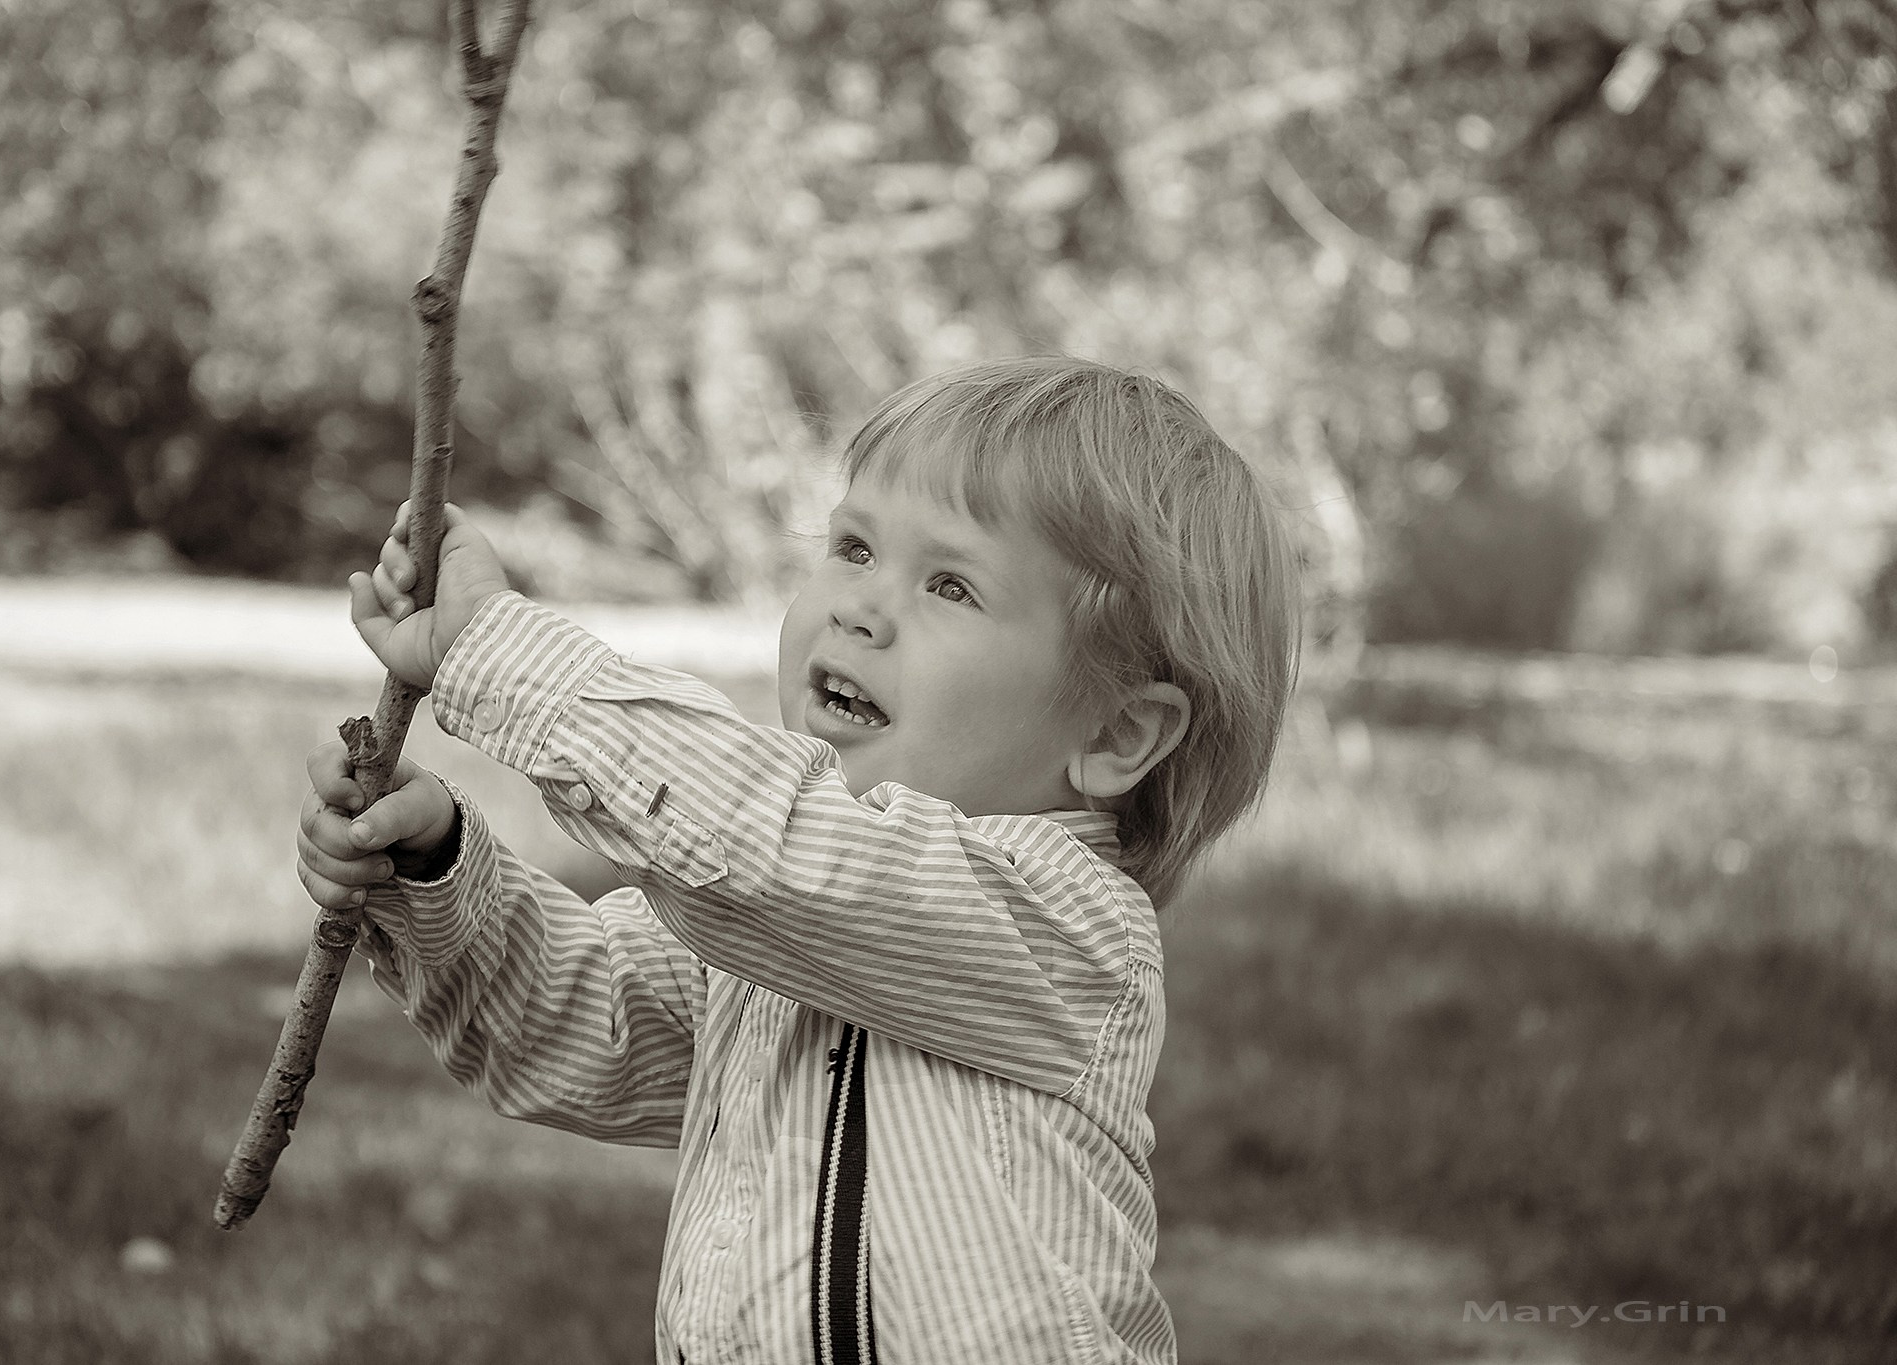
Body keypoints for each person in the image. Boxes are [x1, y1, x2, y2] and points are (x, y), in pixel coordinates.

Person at [294, 355, 1301, 1364]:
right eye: (853, 547)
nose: (860, 607)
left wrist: (504, 657)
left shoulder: (1062, 924)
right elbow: (577, 1023)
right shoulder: (770, 929)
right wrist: (430, 864)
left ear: (1118, 735)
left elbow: (775, 848)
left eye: (950, 584)